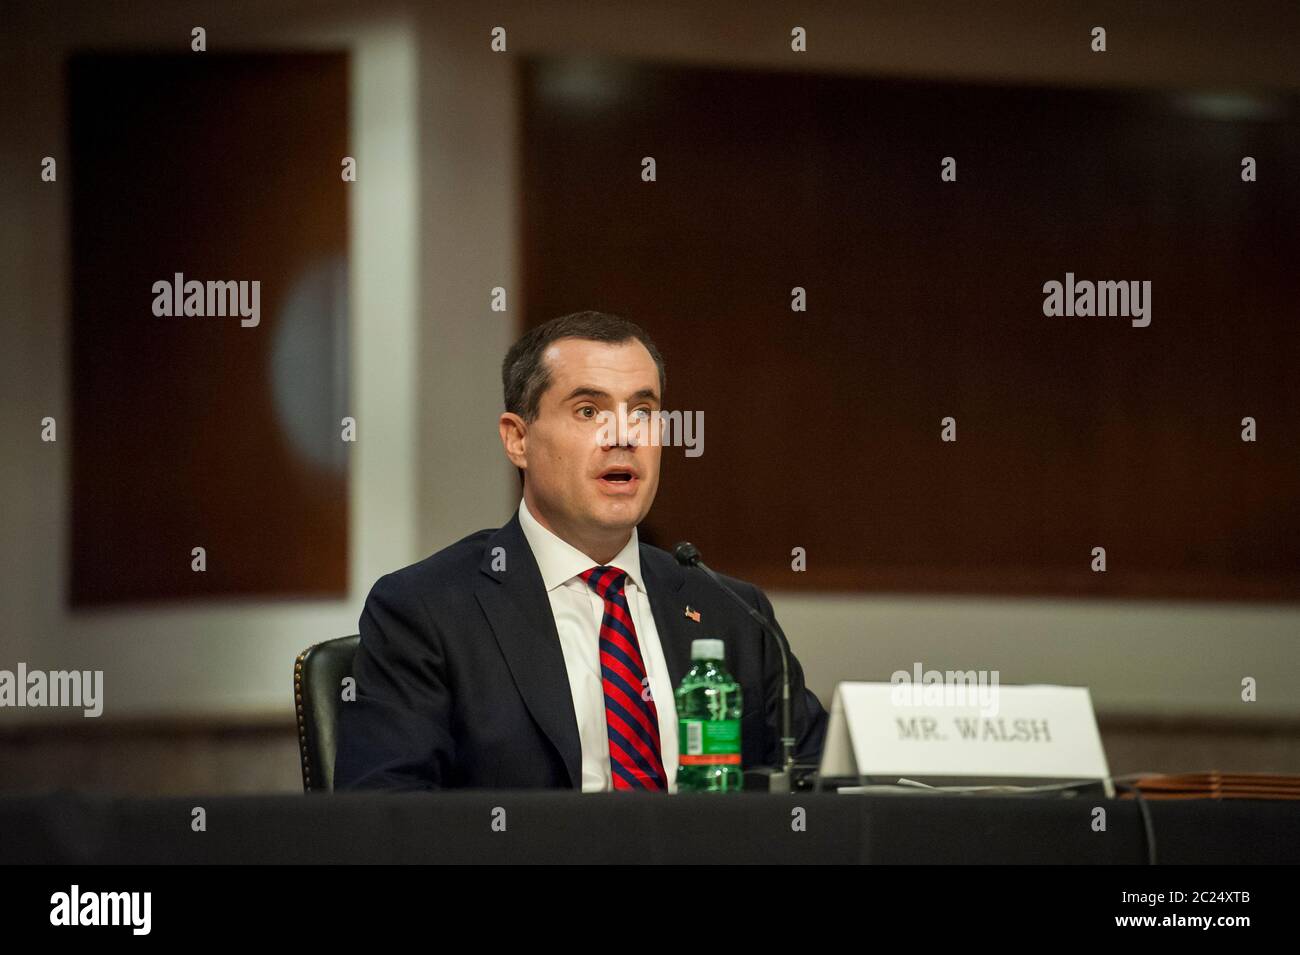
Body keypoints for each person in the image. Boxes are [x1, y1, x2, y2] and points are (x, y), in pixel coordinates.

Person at [334, 310, 828, 791]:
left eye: (643, 412)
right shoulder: (426, 610)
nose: (623, 437)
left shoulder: (734, 613)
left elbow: (819, 786)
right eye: (589, 411)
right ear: (517, 439)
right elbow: (387, 820)